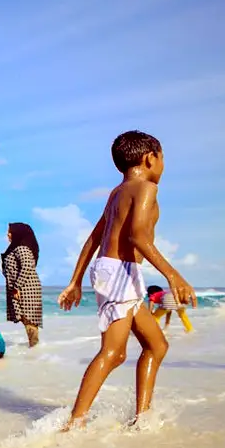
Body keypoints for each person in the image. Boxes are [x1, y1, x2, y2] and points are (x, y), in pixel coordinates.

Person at [58, 130, 196, 430]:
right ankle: (74, 424)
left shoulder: (117, 193)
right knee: (113, 352)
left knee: (156, 345)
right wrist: (173, 275)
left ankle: (142, 419)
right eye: (162, 159)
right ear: (150, 158)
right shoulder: (145, 188)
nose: (162, 166)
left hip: (116, 271)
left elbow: (95, 238)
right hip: (121, 272)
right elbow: (137, 236)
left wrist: (76, 280)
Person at [2, 222, 44, 347]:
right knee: (26, 319)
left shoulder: (21, 248)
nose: (7, 234)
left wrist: (16, 287)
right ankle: (34, 348)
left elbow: (27, 265)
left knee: (29, 320)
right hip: (23, 287)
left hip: (26, 288)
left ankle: (34, 349)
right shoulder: (16, 248)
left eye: (10, 232)